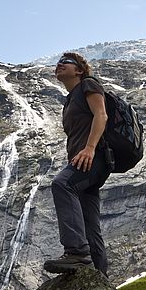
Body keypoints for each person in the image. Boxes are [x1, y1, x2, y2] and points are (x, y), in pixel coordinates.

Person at [43, 52, 111, 276]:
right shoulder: (70, 99)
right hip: (83, 161)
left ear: (79, 70)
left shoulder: (88, 85)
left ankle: (76, 252)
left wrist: (90, 148)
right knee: (90, 223)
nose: (60, 65)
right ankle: (100, 278)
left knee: (62, 184)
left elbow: (101, 115)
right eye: (58, 63)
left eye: (67, 63)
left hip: (94, 158)